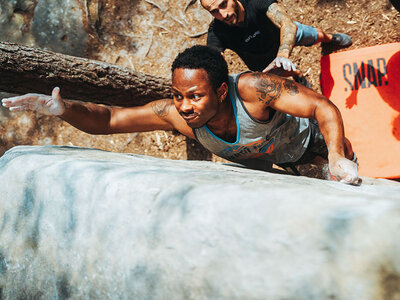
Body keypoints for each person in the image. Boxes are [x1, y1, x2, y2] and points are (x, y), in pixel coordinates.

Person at [1, 45, 360, 185]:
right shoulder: (174, 115)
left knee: (354, 179)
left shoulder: (251, 89)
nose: (185, 106)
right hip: (283, 167)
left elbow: (321, 106)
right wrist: (63, 109)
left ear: (221, 91)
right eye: (178, 95)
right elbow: (109, 119)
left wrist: (336, 156)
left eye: (195, 96)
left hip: (315, 141)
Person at [202, 0, 352, 76]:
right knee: (290, 74)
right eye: (214, 11)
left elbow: (288, 24)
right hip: (263, 63)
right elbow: (213, 59)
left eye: (223, 4)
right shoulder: (217, 31)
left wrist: (282, 55)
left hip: (285, 37)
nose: (223, 14)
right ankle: (298, 76)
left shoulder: (255, 2)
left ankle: (330, 39)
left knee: (318, 35)